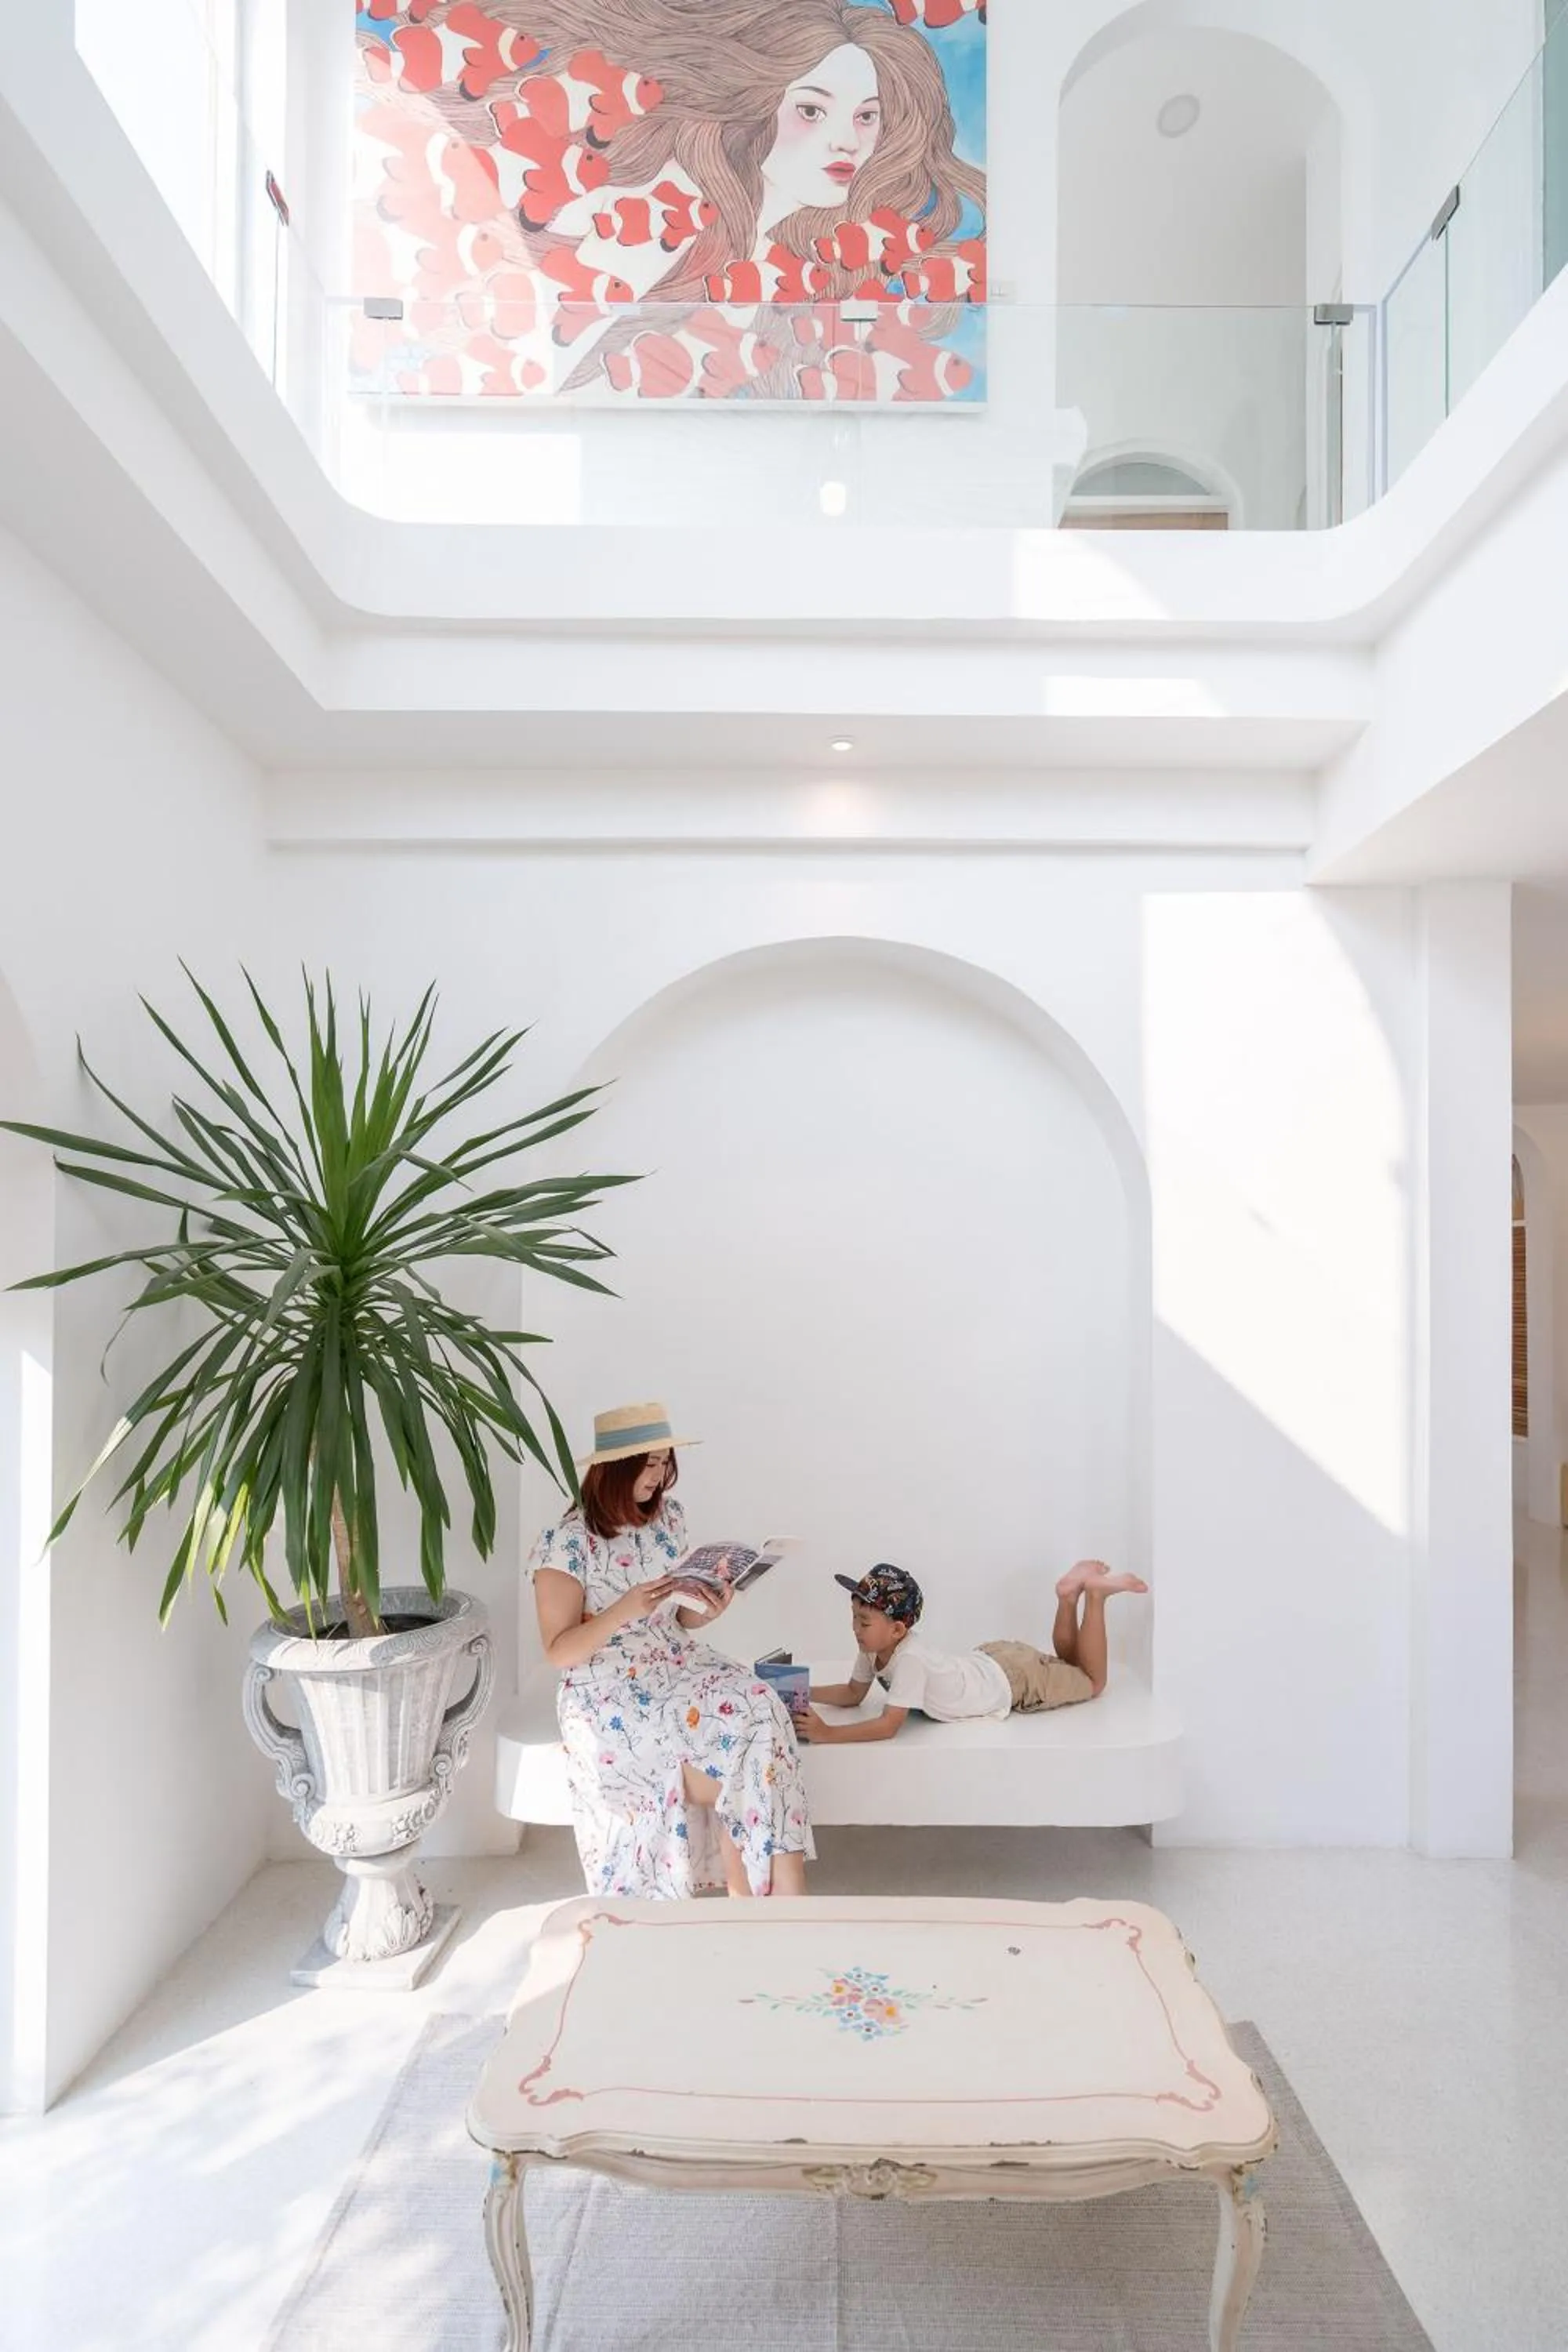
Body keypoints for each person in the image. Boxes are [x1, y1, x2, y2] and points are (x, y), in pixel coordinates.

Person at [530, 1401, 813, 1895]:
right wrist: (624, 1609)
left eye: (665, 1464)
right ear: (614, 1470)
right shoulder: (566, 1542)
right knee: (747, 1759)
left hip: (679, 1664)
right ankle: (777, 1907)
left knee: (762, 1709)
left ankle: (765, 1905)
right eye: (650, 1465)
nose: (659, 1478)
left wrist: (707, 1609)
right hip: (610, 1691)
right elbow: (558, 1651)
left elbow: (679, 1615)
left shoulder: (669, 1519)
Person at [801, 1559, 1149, 1744]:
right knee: (1070, 1667)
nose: (855, 1629)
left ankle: (1095, 1597)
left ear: (897, 1629)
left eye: (863, 1622)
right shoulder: (872, 1648)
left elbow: (888, 1726)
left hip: (1015, 1681)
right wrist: (799, 1692)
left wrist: (828, 1734)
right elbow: (851, 1694)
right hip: (991, 1660)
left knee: (1092, 1680)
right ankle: (1069, 1595)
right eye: (854, 1618)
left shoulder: (909, 1660)